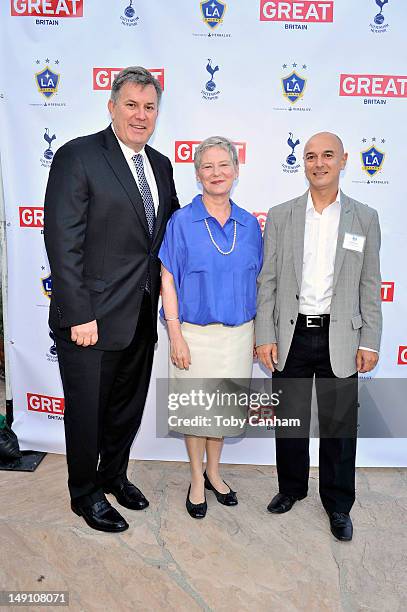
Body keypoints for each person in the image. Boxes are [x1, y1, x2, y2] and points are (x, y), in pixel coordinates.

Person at [44, 67, 179, 532]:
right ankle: (85, 495)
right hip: (90, 320)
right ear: (112, 106)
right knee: (87, 413)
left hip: (141, 315)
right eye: (131, 105)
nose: (140, 116)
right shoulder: (78, 156)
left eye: (149, 107)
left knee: (125, 409)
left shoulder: (160, 164)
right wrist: (79, 314)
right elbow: (63, 242)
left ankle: (113, 476)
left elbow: (167, 236)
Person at [256, 132, 382, 541]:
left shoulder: (364, 217)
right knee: (290, 421)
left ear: (344, 160)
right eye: (310, 156)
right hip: (291, 335)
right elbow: (268, 281)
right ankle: (291, 489)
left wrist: (370, 340)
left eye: (327, 155)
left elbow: (370, 284)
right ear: (303, 163)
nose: (318, 163)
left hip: (341, 335)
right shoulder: (281, 215)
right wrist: (264, 334)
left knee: (339, 427)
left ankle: (338, 504)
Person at [159, 136, 262, 518]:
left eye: (224, 165)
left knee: (222, 412)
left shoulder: (250, 224)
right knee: (196, 413)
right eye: (208, 166)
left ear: (236, 171)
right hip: (194, 336)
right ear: (197, 173)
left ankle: (216, 474)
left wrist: (261, 334)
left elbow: (260, 282)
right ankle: (197, 480)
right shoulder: (182, 222)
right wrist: (175, 335)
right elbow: (167, 279)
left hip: (238, 337)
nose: (216, 173)